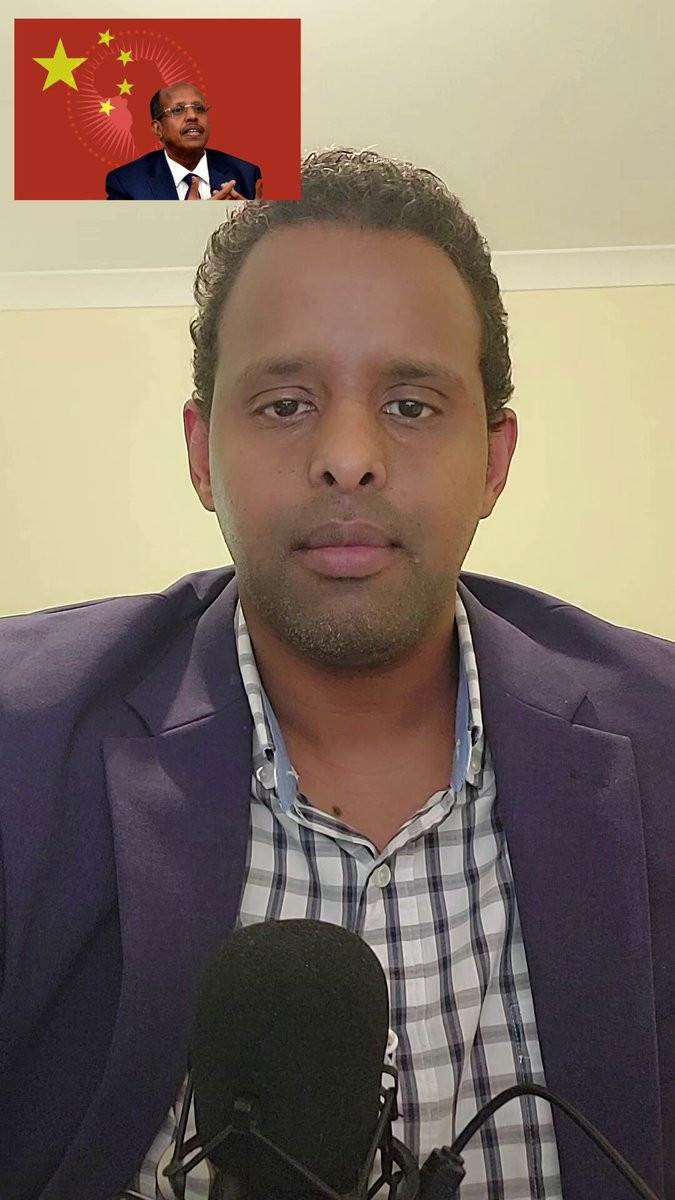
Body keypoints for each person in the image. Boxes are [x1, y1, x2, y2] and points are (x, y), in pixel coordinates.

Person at [0, 147, 673, 1200]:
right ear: (200, 454)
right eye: (284, 404)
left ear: (494, 460)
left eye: (411, 404)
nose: (349, 455)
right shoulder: (21, 742)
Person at [105, 80, 262, 200]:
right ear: (158, 128)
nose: (192, 116)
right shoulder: (127, 183)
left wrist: (253, 223)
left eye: (199, 108)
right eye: (178, 110)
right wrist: (188, 218)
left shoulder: (246, 175)